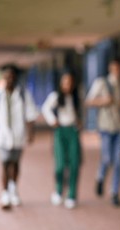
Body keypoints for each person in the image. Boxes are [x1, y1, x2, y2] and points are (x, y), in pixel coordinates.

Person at [0, 63, 38, 209]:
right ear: (3, 78)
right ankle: (5, 192)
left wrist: (31, 133)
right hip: (2, 136)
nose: (10, 79)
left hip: (18, 135)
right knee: (5, 163)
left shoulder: (22, 94)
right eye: (7, 76)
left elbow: (31, 114)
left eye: (12, 76)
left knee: (16, 163)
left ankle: (14, 188)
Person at [85, 57, 120, 207]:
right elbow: (89, 101)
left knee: (119, 161)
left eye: (119, 68)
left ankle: (114, 192)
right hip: (106, 127)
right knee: (107, 159)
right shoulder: (102, 83)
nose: (117, 71)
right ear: (110, 69)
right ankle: (100, 177)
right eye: (114, 68)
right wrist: (104, 101)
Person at [41, 69, 83, 209]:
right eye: (65, 82)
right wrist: (53, 120)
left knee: (74, 164)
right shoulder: (55, 96)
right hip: (60, 131)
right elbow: (45, 108)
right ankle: (58, 190)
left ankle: (71, 194)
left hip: (73, 132)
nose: (68, 85)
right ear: (61, 83)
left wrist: (79, 122)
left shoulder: (77, 97)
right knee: (59, 165)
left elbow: (81, 113)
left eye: (70, 82)